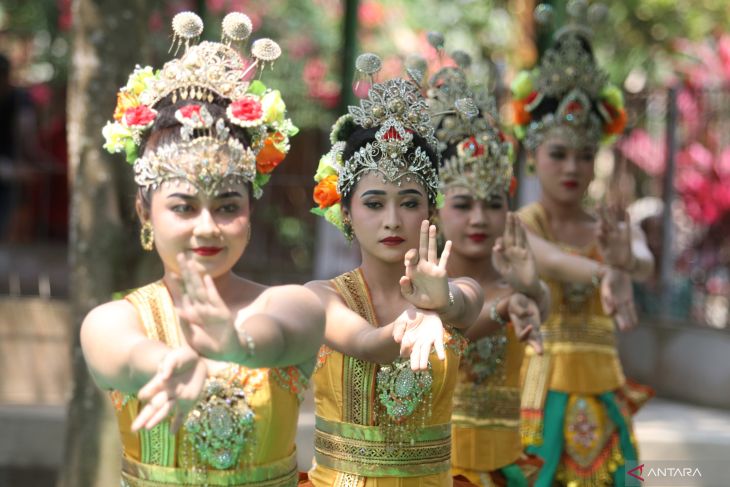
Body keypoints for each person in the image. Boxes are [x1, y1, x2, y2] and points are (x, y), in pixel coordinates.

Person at [80, 12, 324, 486]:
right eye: (184, 207)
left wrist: (234, 344)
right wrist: (171, 362)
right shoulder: (112, 323)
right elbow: (130, 358)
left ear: (250, 215)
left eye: (227, 205)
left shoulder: (293, 305)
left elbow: (271, 338)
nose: (207, 228)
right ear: (145, 213)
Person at [306, 53, 483, 486]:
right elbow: (366, 343)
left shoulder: (460, 290)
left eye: (408, 202)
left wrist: (443, 304)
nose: (392, 220)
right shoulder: (321, 296)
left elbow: (466, 305)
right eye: (373, 203)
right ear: (345, 213)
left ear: (431, 212)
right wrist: (405, 323)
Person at [510, 26, 655, 486]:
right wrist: (607, 271)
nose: (572, 167)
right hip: (540, 389)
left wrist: (624, 263)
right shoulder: (523, 225)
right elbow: (550, 261)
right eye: (559, 154)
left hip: (605, 391)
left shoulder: (610, 228)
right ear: (533, 155)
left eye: (585, 155)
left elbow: (642, 257)